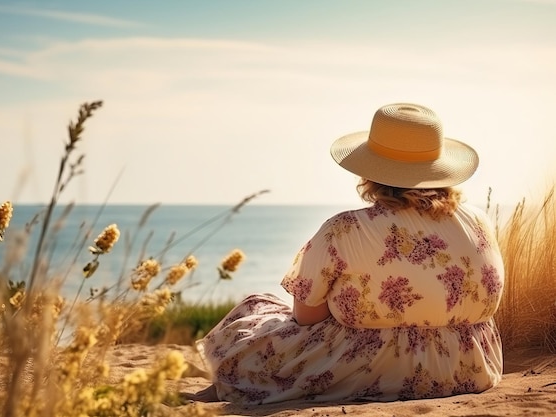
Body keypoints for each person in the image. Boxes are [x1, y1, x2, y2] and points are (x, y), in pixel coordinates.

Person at [193, 103, 504, 404]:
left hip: (367, 368)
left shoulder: (344, 229)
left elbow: (306, 316)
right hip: (469, 366)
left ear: (372, 171)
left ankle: (225, 386)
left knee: (254, 311)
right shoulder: (478, 220)